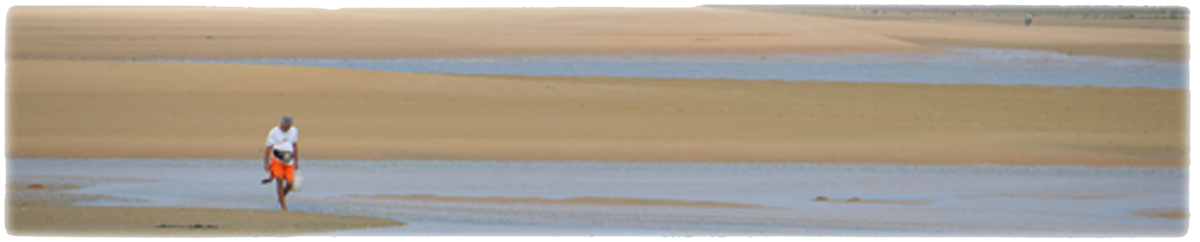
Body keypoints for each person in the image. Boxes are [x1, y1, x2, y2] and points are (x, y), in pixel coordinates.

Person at [263, 115, 299, 211]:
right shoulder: (274, 132)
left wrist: (296, 161)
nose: (287, 128)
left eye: (289, 126)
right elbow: (268, 148)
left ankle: (281, 197)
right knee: (279, 180)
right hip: (277, 159)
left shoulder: (294, 131)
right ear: (282, 124)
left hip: (289, 160)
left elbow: (295, 146)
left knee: (290, 183)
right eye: (285, 126)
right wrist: (266, 163)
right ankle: (283, 206)